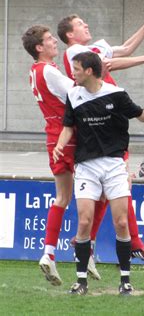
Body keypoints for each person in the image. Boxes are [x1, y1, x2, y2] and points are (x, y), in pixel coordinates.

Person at [57, 1, 144, 263]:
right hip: (99, 121)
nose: (86, 25)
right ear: (70, 35)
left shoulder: (90, 48)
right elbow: (108, 64)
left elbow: (125, 48)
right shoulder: (77, 50)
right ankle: (133, 244)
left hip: (109, 115)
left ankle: (91, 240)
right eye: (80, 24)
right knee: (119, 185)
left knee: (117, 187)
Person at [53, 52, 144, 296]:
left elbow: (142, 117)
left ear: (90, 71)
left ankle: (125, 280)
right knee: (83, 222)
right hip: (86, 166)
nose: (73, 73)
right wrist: (61, 145)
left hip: (114, 165)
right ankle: (81, 281)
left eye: (77, 69)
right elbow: (68, 127)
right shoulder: (74, 94)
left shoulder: (117, 93)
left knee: (121, 222)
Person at [22, 25, 75, 286]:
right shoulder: (50, 72)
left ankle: (49, 252)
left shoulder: (34, 71)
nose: (55, 41)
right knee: (100, 189)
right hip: (70, 135)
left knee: (62, 197)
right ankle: (86, 248)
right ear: (39, 48)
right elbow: (77, 92)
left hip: (52, 135)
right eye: (49, 39)